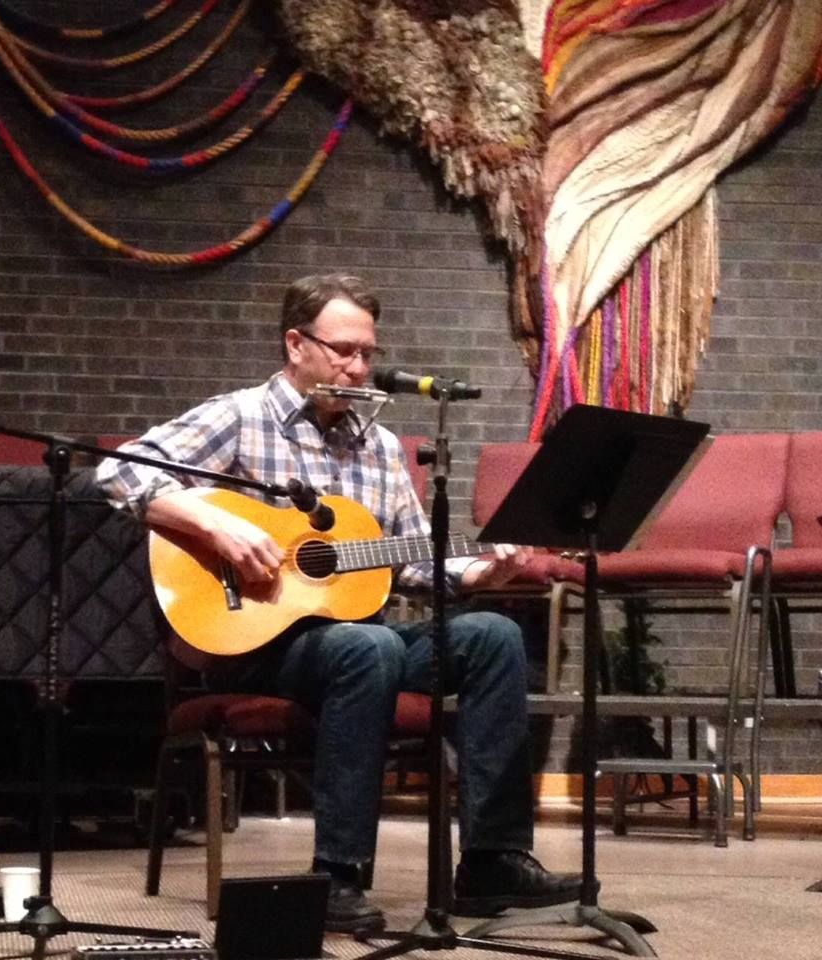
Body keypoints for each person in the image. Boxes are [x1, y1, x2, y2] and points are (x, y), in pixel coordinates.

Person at [96, 273, 583, 932]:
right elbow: (119, 470)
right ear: (295, 344)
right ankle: (338, 875)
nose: (357, 368)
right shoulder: (240, 417)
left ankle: (492, 861)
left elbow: (413, 559)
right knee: (368, 645)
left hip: (353, 644)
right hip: (256, 645)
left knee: (492, 636)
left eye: (367, 354)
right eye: (343, 351)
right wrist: (216, 526)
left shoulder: (377, 446)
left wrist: (482, 573)